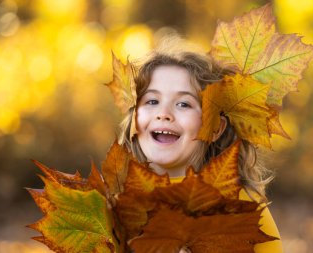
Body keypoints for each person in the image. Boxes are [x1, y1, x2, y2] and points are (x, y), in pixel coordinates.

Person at [117, 42, 283, 253]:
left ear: (215, 127)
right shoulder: (113, 202)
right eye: (152, 101)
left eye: (184, 104)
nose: (164, 113)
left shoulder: (242, 206)